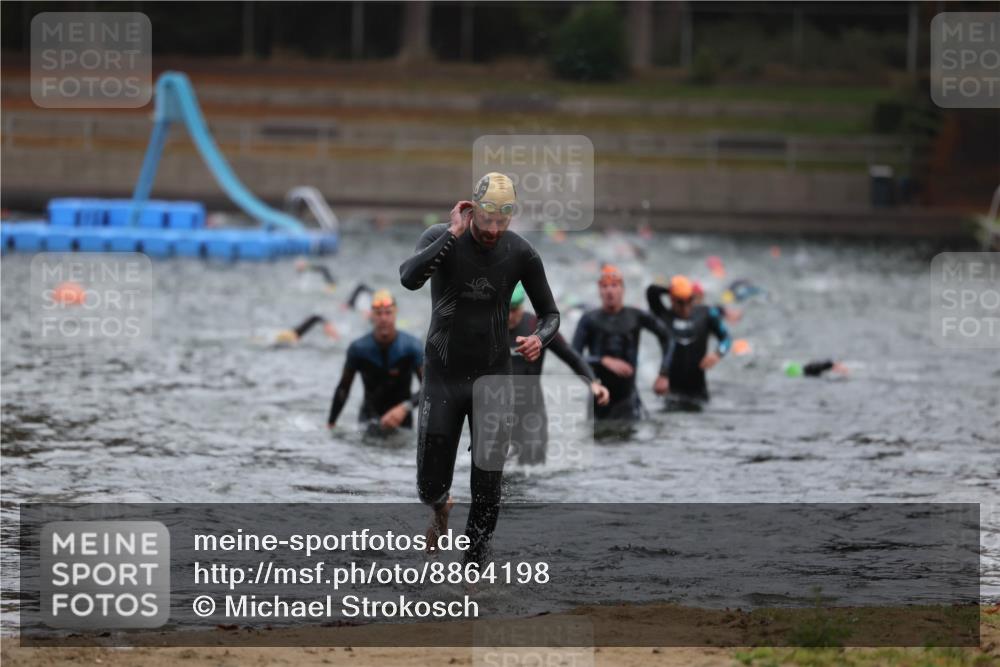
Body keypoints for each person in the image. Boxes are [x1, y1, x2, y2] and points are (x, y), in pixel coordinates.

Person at [399, 172, 560, 566]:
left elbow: (551, 314)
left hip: (493, 380)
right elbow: (408, 278)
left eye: (501, 222)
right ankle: (440, 510)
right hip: (443, 377)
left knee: (488, 486)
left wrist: (540, 338)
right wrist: (451, 235)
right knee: (429, 486)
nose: (492, 230)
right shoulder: (442, 236)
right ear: (471, 210)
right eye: (486, 220)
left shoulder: (521, 253)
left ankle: (474, 566)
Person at [507, 282, 610, 464]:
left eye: (514, 310)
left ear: (522, 305)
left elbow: (573, 357)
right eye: (505, 309)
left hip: (531, 411)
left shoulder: (536, 327)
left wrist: (593, 382)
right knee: (493, 477)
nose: (509, 316)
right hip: (497, 410)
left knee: (532, 474)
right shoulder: (489, 328)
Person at [571, 265, 674, 424]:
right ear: (599, 291)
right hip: (598, 399)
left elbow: (668, 337)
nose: (609, 291)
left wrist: (664, 374)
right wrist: (603, 360)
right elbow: (573, 357)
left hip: (628, 399)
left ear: (622, 289)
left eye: (614, 285)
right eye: (604, 287)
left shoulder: (636, 316)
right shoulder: (589, 319)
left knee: (630, 445)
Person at [326, 290, 424, 434]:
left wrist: (405, 408)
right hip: (368, 421)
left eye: (388, 313)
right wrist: (331, 423)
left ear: (395, 314)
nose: (383, 318)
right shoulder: (358, 349)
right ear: (371, 315)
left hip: (402, 423)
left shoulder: (412, 347)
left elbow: (429, 387)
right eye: (378, 313)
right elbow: (343, 389)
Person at [646, 275, 731, 409]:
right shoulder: (663, 316)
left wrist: (718, 353)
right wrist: (673, 288)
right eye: (680, 302)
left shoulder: (706, 314)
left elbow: (726, 337)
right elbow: (651, 291)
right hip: (671, 393)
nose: (685, 307)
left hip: (699, 393)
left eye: (689, 300)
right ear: (672, 300)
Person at [783, 360, 849, 378]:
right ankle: (840, 368)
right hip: (808, 370)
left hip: (808, 370)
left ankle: (841, 368)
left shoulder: (812, 368)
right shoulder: (813, 367)